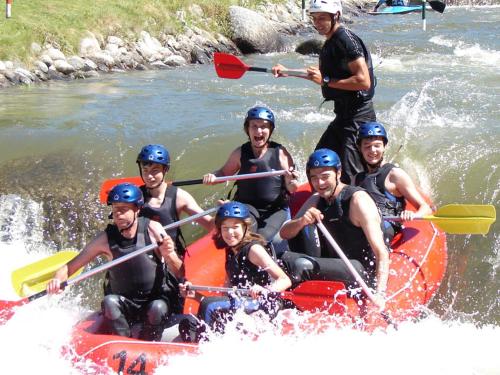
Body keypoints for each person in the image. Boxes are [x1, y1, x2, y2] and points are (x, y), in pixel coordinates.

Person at [46, 183, 184, 341]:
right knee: (109, 302)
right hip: (126, 304)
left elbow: (180, 271)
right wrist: (57, 279)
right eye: (115, 208)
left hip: (156, 301)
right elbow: (69, 267)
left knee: (157, 308)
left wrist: (170, 254)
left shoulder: (153, 230)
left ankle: (149, 343)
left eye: (124, 209)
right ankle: (124, 343)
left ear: (137, 209)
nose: (118, 214)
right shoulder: (104, 240)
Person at [272, 0, 376, 184]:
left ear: (336, 16)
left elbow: (364, 81)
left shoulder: (346, 41)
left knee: (351, 172)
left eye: (322, 18)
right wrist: (287, 71)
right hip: (343, 115)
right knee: (318, 161)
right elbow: (318, 76)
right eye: (314, 18)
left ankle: (361, 204)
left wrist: (327, 80)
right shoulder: (330, 41)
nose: (317, 23)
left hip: (358, 117)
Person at [279, 149, 388, 309]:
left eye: (325, 176)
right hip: (336, 264)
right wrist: (302, 221)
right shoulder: (317, 199)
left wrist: (380, 293)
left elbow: (381, 253)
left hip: (360, 271)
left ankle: (289, 303)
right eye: (314, 177)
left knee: (301, 265)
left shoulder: (358, 201)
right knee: (282, 259)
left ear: (338, 173)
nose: (320, 183)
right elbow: (284, 233)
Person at [179, 201, 292, 338]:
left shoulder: (254, 250)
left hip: (263, 306)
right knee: (187, 323)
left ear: (245, 227)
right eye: (225, 228)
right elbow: (225, 298)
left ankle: (208, 347)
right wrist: (195, 295)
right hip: (242, 306)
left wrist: (266, 290)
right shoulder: (230, 251)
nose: (230, 233)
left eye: (235, 227)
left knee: (209, 306)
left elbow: (285, 280)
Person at [202, 106, 299, 251]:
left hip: (274, 209)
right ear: (247, 129)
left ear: (270, 130)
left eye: (264, 127)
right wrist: (213, 177)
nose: (259, 131)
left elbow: (292, 188)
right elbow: (223, 173)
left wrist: (292, 182)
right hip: (247, 207)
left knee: (261, 238)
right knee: (245, 236)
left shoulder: (281, 153)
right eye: (254, 126)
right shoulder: (240, 152)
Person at [354, 122, 432, 242]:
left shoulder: (395, 175)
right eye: (367, 146)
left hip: (386, 226)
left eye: (377, 145)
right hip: (364, 225)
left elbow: (425, 207)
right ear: (360, 149)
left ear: (385, 146)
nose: (372, 150)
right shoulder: (357, 179)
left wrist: (413, 215)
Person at [137, 144, 214, 257]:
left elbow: (210, 224)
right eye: (145, 170)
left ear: (165, 169)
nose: (149, 176)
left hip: (172, 255)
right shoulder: (135, 196)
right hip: (144, 256)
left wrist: (223, 214)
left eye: (155, 170)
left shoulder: (180, 197)